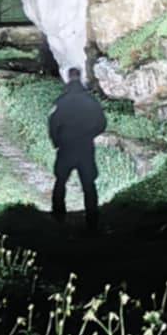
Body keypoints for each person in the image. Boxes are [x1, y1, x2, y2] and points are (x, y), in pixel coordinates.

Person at [47, 66, 108, 232]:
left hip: (66, 147)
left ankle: (58, 217)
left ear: (68, 78)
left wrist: (57, 141)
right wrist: (91, 134)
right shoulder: (90, 101)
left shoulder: (61, 101)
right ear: (80, 78)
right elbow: (102, 123)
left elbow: (52, 124)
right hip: (85, 147)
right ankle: (92, 220)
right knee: (89, 184)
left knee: (60, 182)